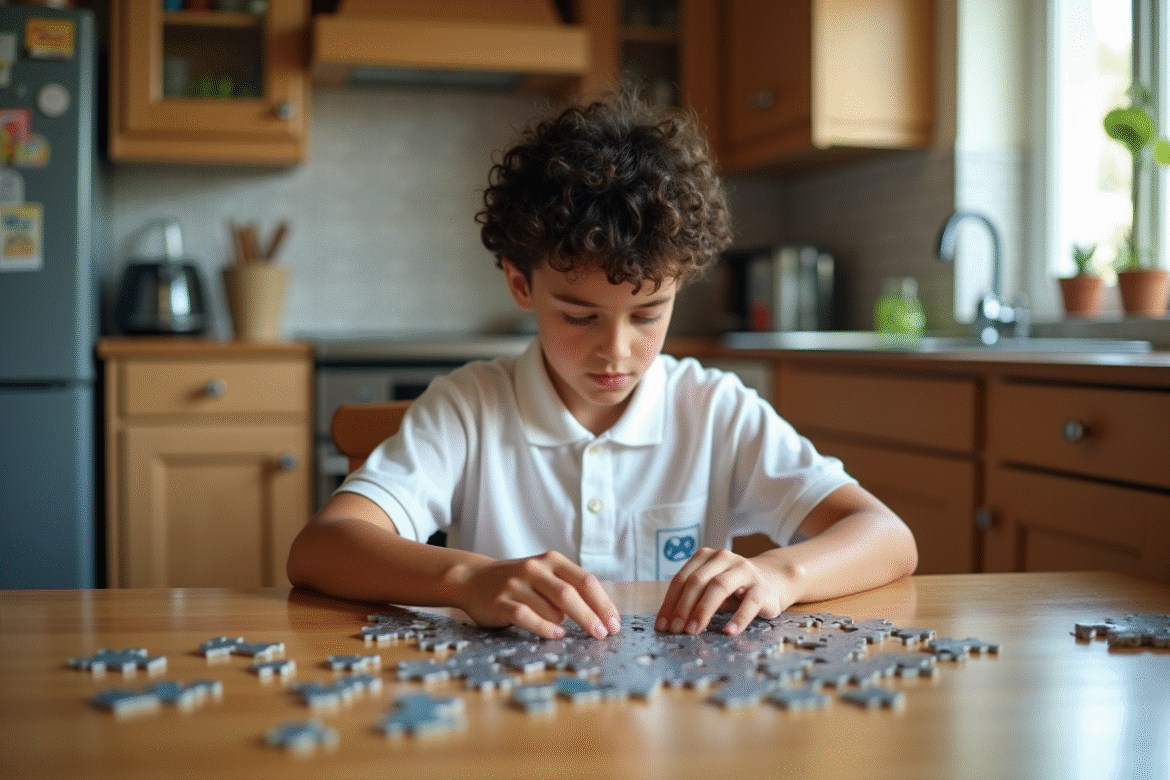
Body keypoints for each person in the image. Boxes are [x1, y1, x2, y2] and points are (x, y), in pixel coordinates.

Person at [287, 90, 917, 641]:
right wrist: (466, 579)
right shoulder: (469, 408)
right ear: (520, 284)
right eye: (580, 316)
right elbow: (320, 548)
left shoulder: (716, 411)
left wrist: (780, 573)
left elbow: (887, 536)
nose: (616, 352)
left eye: (648, 315)